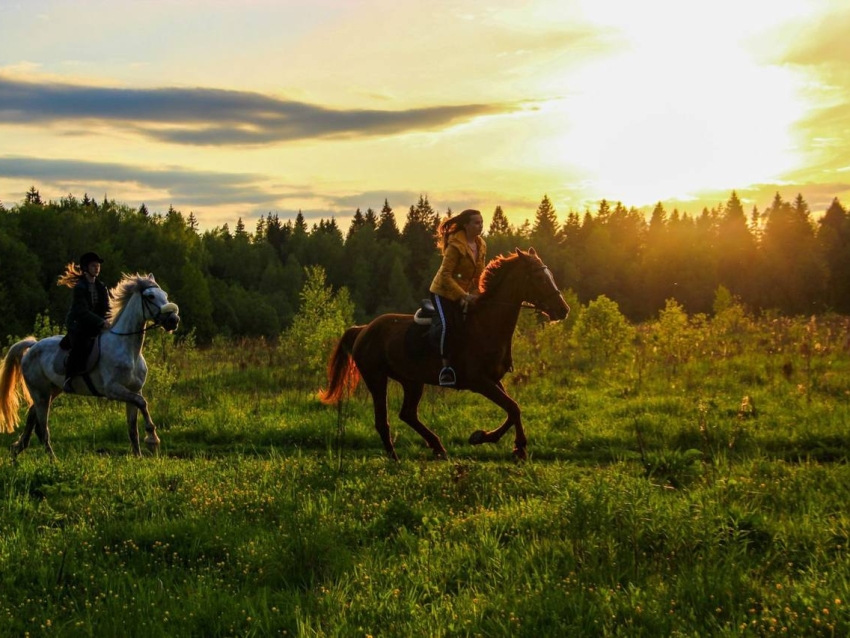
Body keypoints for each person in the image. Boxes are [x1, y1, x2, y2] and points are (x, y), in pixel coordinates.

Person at [428, 209, 486, 386]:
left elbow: (479, 274)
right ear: (466, 225)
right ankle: (446, 369)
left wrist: (481, 292)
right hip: (442, 292)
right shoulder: (455, 246)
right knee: (448, 326)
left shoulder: (481, 245)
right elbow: (445, 275)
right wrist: (464, 296)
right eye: (476, 222)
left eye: (481, 222)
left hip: (465, 294)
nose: (480, 226)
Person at [58, 252, 111, 393]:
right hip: (78, 324)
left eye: (98, 266)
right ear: (86, 268)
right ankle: (68, 379)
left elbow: (106, 307)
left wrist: (109, 320)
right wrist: (101, 322)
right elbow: (82, 311)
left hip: (96, 324)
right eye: (94, 265)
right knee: (80, 346)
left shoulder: (101, 286)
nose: (97, 268)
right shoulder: (80, 287)